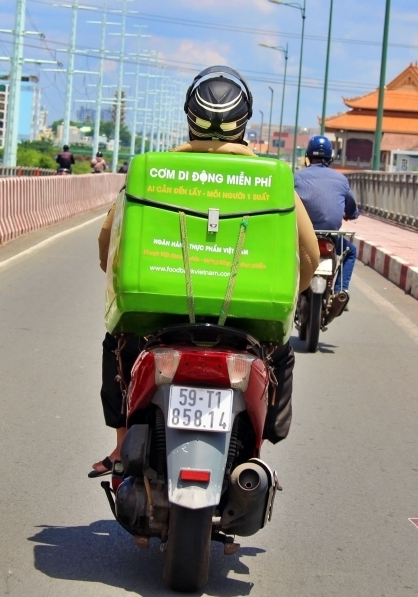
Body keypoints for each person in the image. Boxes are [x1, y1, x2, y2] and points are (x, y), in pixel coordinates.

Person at [89, 66, 319, 477]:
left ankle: (123, 447)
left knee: (118, 347)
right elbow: (311, 257)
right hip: (250, 319)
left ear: (190, 115)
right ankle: (253, 454)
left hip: (155, 315)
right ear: (243, 121)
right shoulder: (275, 180)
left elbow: (109, 246)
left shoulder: (152, 170)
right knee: (278, 355)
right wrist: (286, 297)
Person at [293, 135, 359, 321]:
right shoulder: (340, 179)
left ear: (308, 156)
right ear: (330, 157)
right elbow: (351, 206)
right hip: (330, 236)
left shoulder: (297, 177)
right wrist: (351, 214)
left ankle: (288, 287)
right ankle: (339, 291)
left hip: (303, 236)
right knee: (350, 252)